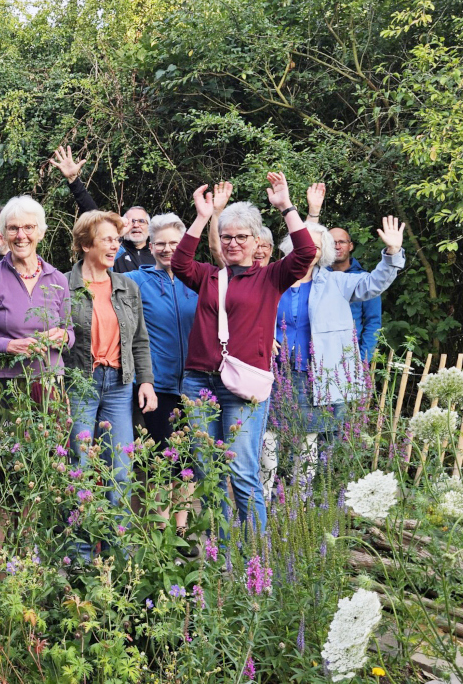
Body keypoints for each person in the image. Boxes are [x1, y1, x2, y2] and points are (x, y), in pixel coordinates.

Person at [171, 173, 317, 534]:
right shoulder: (209, 276)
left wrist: (286, 206)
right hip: (199, 382)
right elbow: (179, 262)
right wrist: (203, 217)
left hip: (243, 386)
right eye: (226, 237)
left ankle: (254, 554)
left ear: (256, 242)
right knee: (208, 469)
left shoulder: (271, 277)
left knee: (240, 470)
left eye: (241, 237)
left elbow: (306, 253)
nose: (233, 243)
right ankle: (221, 552)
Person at [264, 213, 405, 487]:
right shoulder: (270, 279)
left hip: (312, 376)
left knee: (308, 441)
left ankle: (300, 501)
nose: (310, 250)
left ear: (323, 252)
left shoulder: (336, 282)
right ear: (292, 245)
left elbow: (373, 284)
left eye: (316, 247)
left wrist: (392, 253)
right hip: (271, 375)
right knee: (267, 437)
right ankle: (264, 497)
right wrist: (262, 336)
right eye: (304, 243)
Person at [65, 210, 157, 540]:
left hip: (119, 385)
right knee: (79, 468)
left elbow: (140, 340)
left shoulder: (127, 287)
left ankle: (118, 551)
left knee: (121, 468)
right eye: (107, 239)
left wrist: (146, 381)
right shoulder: (63, 286)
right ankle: (80, 553)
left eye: (117, 240)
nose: (115, 245)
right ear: (85, 244)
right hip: (80, 384)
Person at [122, 213, 198, 532]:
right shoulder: (135, 281)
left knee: (188, 458)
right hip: (158, 385)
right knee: (163, 457)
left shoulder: (197, 279)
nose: (168, 249)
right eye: (161, 244)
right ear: (150, 247)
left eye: (175, 244)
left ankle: (182, 527)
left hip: (195, 383)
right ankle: (162, 528)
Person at [0, 196, 73, 403]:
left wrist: (64, 337)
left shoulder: (58, 279)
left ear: (41, 232)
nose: (21, 235)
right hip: (6, 385)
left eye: (29, 227)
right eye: (13, 228)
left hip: (50, 381)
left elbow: (70, 331)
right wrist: (10, 346)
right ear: (5, 234)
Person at [49, 146, 154, 273]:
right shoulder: (113, 250)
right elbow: (94, 217)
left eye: (141, 221)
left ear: (150, 227)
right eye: (131, 221)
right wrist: (73, 180)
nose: (136, 225)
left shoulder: (159, 254)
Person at [329, 226, 381, 362]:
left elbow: (373, 322)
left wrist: (363, 359)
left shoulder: (365, 280)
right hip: (319, 353)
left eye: (342, 242)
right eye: (332, 242)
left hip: (351, 355)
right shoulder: (318, 278)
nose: (337, 246)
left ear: (350, 246)